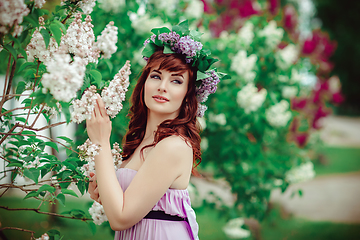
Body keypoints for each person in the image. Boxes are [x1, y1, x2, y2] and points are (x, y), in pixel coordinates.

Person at [86, 21, 224, 240]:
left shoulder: (173, 146)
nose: (163, 87)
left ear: (188, 95)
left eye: (176, 81)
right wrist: (104, 189)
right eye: (156, 76)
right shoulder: (141, 140)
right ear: (145, 83)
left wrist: (101, 142)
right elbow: (128, 204)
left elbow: (120, 218)